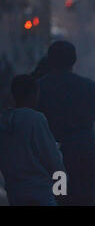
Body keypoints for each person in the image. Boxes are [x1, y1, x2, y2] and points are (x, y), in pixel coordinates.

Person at [37, 41, 95, 205]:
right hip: (84, 155)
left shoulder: (39, 88)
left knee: (58, 199)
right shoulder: (90, 87)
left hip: (52, 157)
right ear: (74, 60)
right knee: (84, 199)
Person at [0, 75, 65, 206]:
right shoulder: (35, 119)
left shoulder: (4, 120)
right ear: (34, 94)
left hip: (15, 192)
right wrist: (62, 189)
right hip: (39, 192)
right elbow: (53, 160)